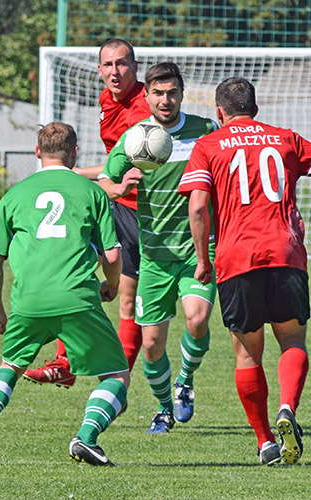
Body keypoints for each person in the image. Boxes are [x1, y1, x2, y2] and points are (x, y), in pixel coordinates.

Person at [178, 77, 311, 464]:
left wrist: (203, 261)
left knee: (247, 355)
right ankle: (287, 408)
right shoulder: (285, 138)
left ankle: (265, 442)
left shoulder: (208, 146)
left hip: (236, 258)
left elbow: (197, 207)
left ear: (219, 112)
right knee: (292, 341)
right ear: (255, 109)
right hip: (285, 253)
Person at [0, 122, 130, 466]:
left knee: (11, 365)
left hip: (29, 300)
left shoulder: (14, 195)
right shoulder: (92, 192)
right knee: (116, 375)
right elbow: (112, 256)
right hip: (77, 297)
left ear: (38, 153)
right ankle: (86, 437)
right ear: (75, 153)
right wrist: (111, 284)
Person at [23, 38, 151, 388]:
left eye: (122, 64)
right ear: (98, 69)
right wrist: (92, 178)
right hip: (114, 205)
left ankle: (118, 383)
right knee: (72, 270)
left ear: (135, 67)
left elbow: (127, 170)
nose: (115, 71)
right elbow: (113, 167)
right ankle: (65, 363)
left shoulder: (144, 109)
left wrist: (78, 175)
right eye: (108, 65)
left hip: (145, 212)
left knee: (130, 301)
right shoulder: (106, 99)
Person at [99, 62, 218, 434]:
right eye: (158, 93)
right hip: (154, 256)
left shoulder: (206, 131)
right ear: (147, 95)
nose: (166, 100)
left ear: (182, 94)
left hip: (199, 252)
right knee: (151, 345)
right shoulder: (134, 139)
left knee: (197, 320)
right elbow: (104, 182)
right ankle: (165, 407)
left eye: (172, 93)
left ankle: (185, 380)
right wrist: (120, 186)